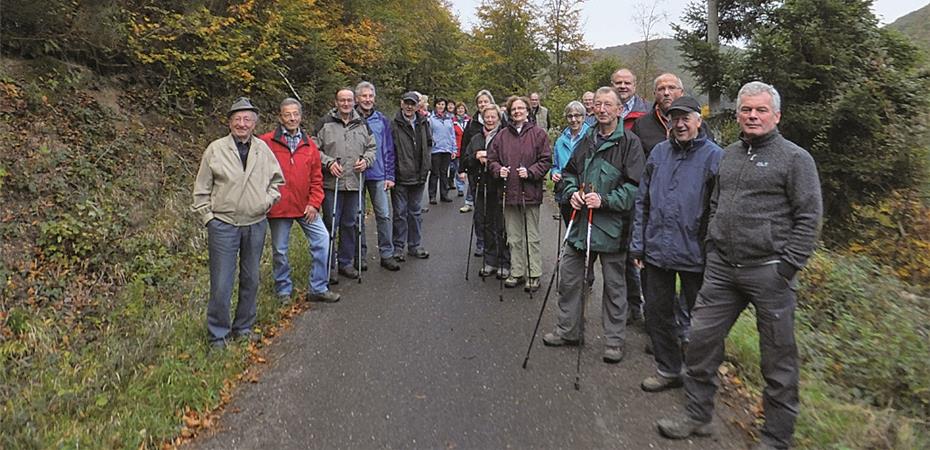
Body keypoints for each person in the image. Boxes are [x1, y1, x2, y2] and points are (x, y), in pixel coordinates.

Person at [657, 82, 823, 450]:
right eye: (746, 109)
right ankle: (697, 416)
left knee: (778, 362)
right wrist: (712, 246)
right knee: (700, 343)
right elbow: (715, 202)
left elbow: (809, 217)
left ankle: (776, 439)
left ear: (776, 116)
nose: (752, 115)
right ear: (737, 115)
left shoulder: (796, 159)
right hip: (722, 270)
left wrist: (788, 266)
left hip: (770, 271)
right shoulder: (729, 154)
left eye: (760, 110)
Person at [541, 87, 645, 364]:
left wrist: (606, 200)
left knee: (614, 287)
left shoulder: (630, 144)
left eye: (608, 105)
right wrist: (572, 192)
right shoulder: (586, 139)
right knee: (570, 279)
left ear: (619, 110)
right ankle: (568, 331)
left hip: (613, 228)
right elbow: (569, 173)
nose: (601, 109)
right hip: (580, 226)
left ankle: (614, 341)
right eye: (598, 104)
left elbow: (636, 188)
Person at [629, 96, 723, 392]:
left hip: (696, 253)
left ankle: (700, 378)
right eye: (675, 118)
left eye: (686, 118)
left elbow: (719, 209)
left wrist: (713, 251)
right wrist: (637, 244)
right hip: (657, 249)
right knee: (657, 313)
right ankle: (668, 369)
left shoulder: (715, 157)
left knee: (702, 322)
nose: (680, 124)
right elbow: (642, 199)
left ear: (698, 120)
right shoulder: (658, 153)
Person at [192, 97, 284, 348]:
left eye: (247, 119)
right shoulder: (215, 149)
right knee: (221, 283)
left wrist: (267, 201)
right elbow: (201, 189)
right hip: (223, 225)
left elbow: (277, 181)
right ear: (229, 122)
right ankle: (218, 335)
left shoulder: (262, 149)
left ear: (254, 123)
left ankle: (243, 328)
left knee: (251, 279)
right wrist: (208, 218)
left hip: (255, 223)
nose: (242, 124)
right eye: (237, 119)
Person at [261, 98, 341, 305]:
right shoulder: (266, 142)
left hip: (306, 206)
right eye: (287, 114)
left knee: (323, 241)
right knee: (280, 250)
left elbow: (317, 176)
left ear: (301, 116)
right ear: (280, 117)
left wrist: (314, 203)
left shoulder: (309, 143)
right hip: (279, 207)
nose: (292, 118)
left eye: (295, 114)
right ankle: (283, 290)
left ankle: (318, 287)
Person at [487, 96, 552, 292]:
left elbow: (546, 159)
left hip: (529, 192)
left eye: (520, 108)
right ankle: (517, 271)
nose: (517, 112)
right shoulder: (501, 136)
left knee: (531, 236)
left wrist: (531, 172)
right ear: (509, 112)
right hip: (508, 192)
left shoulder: (538, 134)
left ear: (527, 111)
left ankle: (534, 273)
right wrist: (499, 170)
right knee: (513, 236)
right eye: (513, 109)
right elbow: (492, 159)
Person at [313, 88, 377, 282]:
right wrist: (328, 163)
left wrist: (366, 161)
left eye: (349, 100)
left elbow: (372, 148)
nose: (346, 104)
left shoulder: (362, 123)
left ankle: (346, 262)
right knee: (330, 224)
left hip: (354, 183)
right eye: (342, 100)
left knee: (350, 224)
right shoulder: (324, 123)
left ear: (353, 101)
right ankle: (328, 265)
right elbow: (314, 150)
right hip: (333, 183)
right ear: (336, 102)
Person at [613, 68, 648, 323]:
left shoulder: (646, 114)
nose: (623, 86)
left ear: (635, 85)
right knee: (620, 253)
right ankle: (629, 306)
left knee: (638, 253)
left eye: (627, 82)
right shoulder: (603, 112)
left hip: (641, 190)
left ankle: (644, 308)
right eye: (618, 83)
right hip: (613, 192)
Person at [354, 81, 400, 271]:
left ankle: (387, 254)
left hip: (379, 174)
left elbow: (389, 149)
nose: (367, 99)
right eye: (364, 96)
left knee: (384, 215)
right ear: (357, 98)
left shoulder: (382, 120)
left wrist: (390, 175)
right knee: (357, 217)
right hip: (355, 174)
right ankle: (359, 255)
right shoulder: (350, 118)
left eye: (370, 96)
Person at [461, 104, 511, 279]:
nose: (490, 120)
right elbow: (466, 161)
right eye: (487, 117)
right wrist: (476, 157)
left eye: (493, 117)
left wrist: (489, 158)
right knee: (485, 223)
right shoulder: (475, 138)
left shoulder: (505, 136)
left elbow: (508, 159)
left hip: (498, 186)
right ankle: (490, 261)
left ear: (498, 118)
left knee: (502, 225)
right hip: (480, 186)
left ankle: (505, 261)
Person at [390, 92, 432, 261]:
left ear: (417, 105)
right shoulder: (393, 124)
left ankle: (414, 245)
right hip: (400, 176)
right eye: (406, 103)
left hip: (419, 175)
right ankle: (398, 247)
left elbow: (429, 144)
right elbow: (389, 149)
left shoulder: (423, 123)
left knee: (415, 213)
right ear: (401, 103)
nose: (409, 106)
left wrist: (426, 166)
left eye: (412, 104)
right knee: (399, 213)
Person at [632, 73, 715, 156]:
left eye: (671, 88)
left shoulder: (697, 124)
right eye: (661, 89)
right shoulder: (641, 125)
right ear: (655, 94)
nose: (666, 93)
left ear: (681, 92)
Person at [551, 100, 590, 224]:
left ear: (584, 117)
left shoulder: (591, 137)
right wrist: (554, 173)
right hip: (565, 190)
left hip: (585, 190)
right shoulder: (560, 141)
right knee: (569, 228)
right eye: (570, 116)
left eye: (577, 115)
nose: (574, 119)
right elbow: (555, 165)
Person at [428, 97, 456, 204]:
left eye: (443, 104)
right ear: (435, 105)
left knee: (444, 173)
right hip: (436, 149)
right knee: (435, 173)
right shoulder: (431, 119)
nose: (441, 106)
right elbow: (428, 134)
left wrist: (454, 149)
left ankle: (444, 194)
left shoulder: (449, 119)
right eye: (439, 104)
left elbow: (452, 134)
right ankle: (432, 195)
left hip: (447, 149)